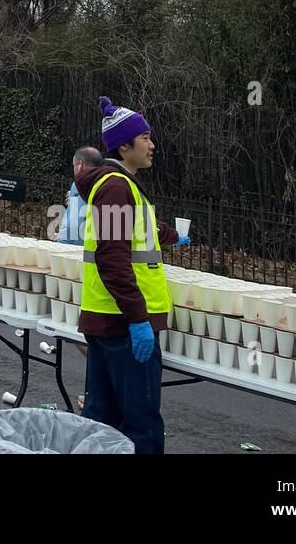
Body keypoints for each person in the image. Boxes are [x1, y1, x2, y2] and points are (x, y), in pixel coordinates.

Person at [77, 96, 186, 455]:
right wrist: (139, 318)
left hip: (111, 320)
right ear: (125, 146)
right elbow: (112, 255)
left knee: (102, 421)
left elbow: (139, 230)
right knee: (139, 426)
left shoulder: (123, 186)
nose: (152, 145)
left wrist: (172, 235)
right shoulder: (114, 187)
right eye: (146, 138)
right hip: (123, 325)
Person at [56, 146, 101, 244]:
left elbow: (72, 224)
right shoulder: (106, 183)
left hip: (77, 250)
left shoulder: (80, 184)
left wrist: (60, 243)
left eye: (74, 165)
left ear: (80, 165)